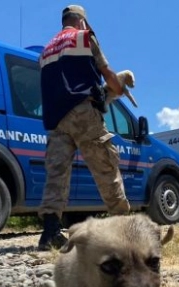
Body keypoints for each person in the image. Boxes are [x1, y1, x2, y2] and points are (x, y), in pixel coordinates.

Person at [36, 5, 131, 251]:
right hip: (83, 112)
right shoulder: (84, 37)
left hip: (56, 118)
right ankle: (124, 228)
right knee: (105, 167)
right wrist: (117, 88)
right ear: (81, 21)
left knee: (56, 174)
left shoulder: (46, 50)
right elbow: (107, 73)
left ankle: (50, 233)